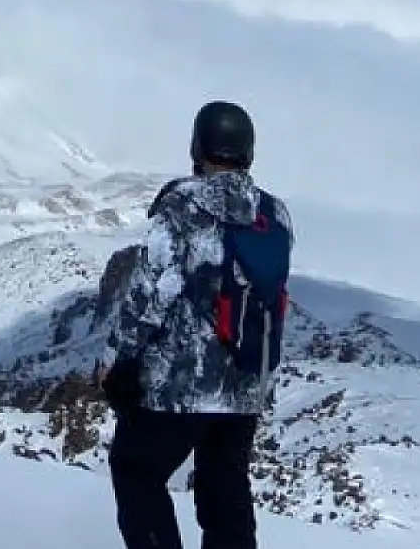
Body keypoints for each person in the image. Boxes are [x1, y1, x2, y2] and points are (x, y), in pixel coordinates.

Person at [96, 100, 294, 549]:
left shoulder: (183, 207)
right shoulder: (274, 214)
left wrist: (117, 359)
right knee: (225, 490)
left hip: (180, 383)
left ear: (197, 146)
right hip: (246, 383)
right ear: (248, 152)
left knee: (137, 470)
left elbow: (151, 292)